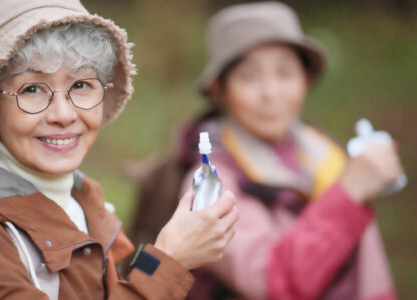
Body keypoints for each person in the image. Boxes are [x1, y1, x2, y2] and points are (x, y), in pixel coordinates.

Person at [0, 0, 239, 299]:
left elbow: (124, 286)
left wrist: (161, 253)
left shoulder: (85, 200)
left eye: (80, 85)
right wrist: (171, 260)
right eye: (32, 89)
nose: (63, 115)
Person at [129, 2, 402, 299]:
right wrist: (349, 192)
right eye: (249, 77)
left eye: (285, 73)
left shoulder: (321, 154)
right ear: (220, 89)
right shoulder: (212, 180)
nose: (270, 94)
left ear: (305, 79)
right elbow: (273, 283)